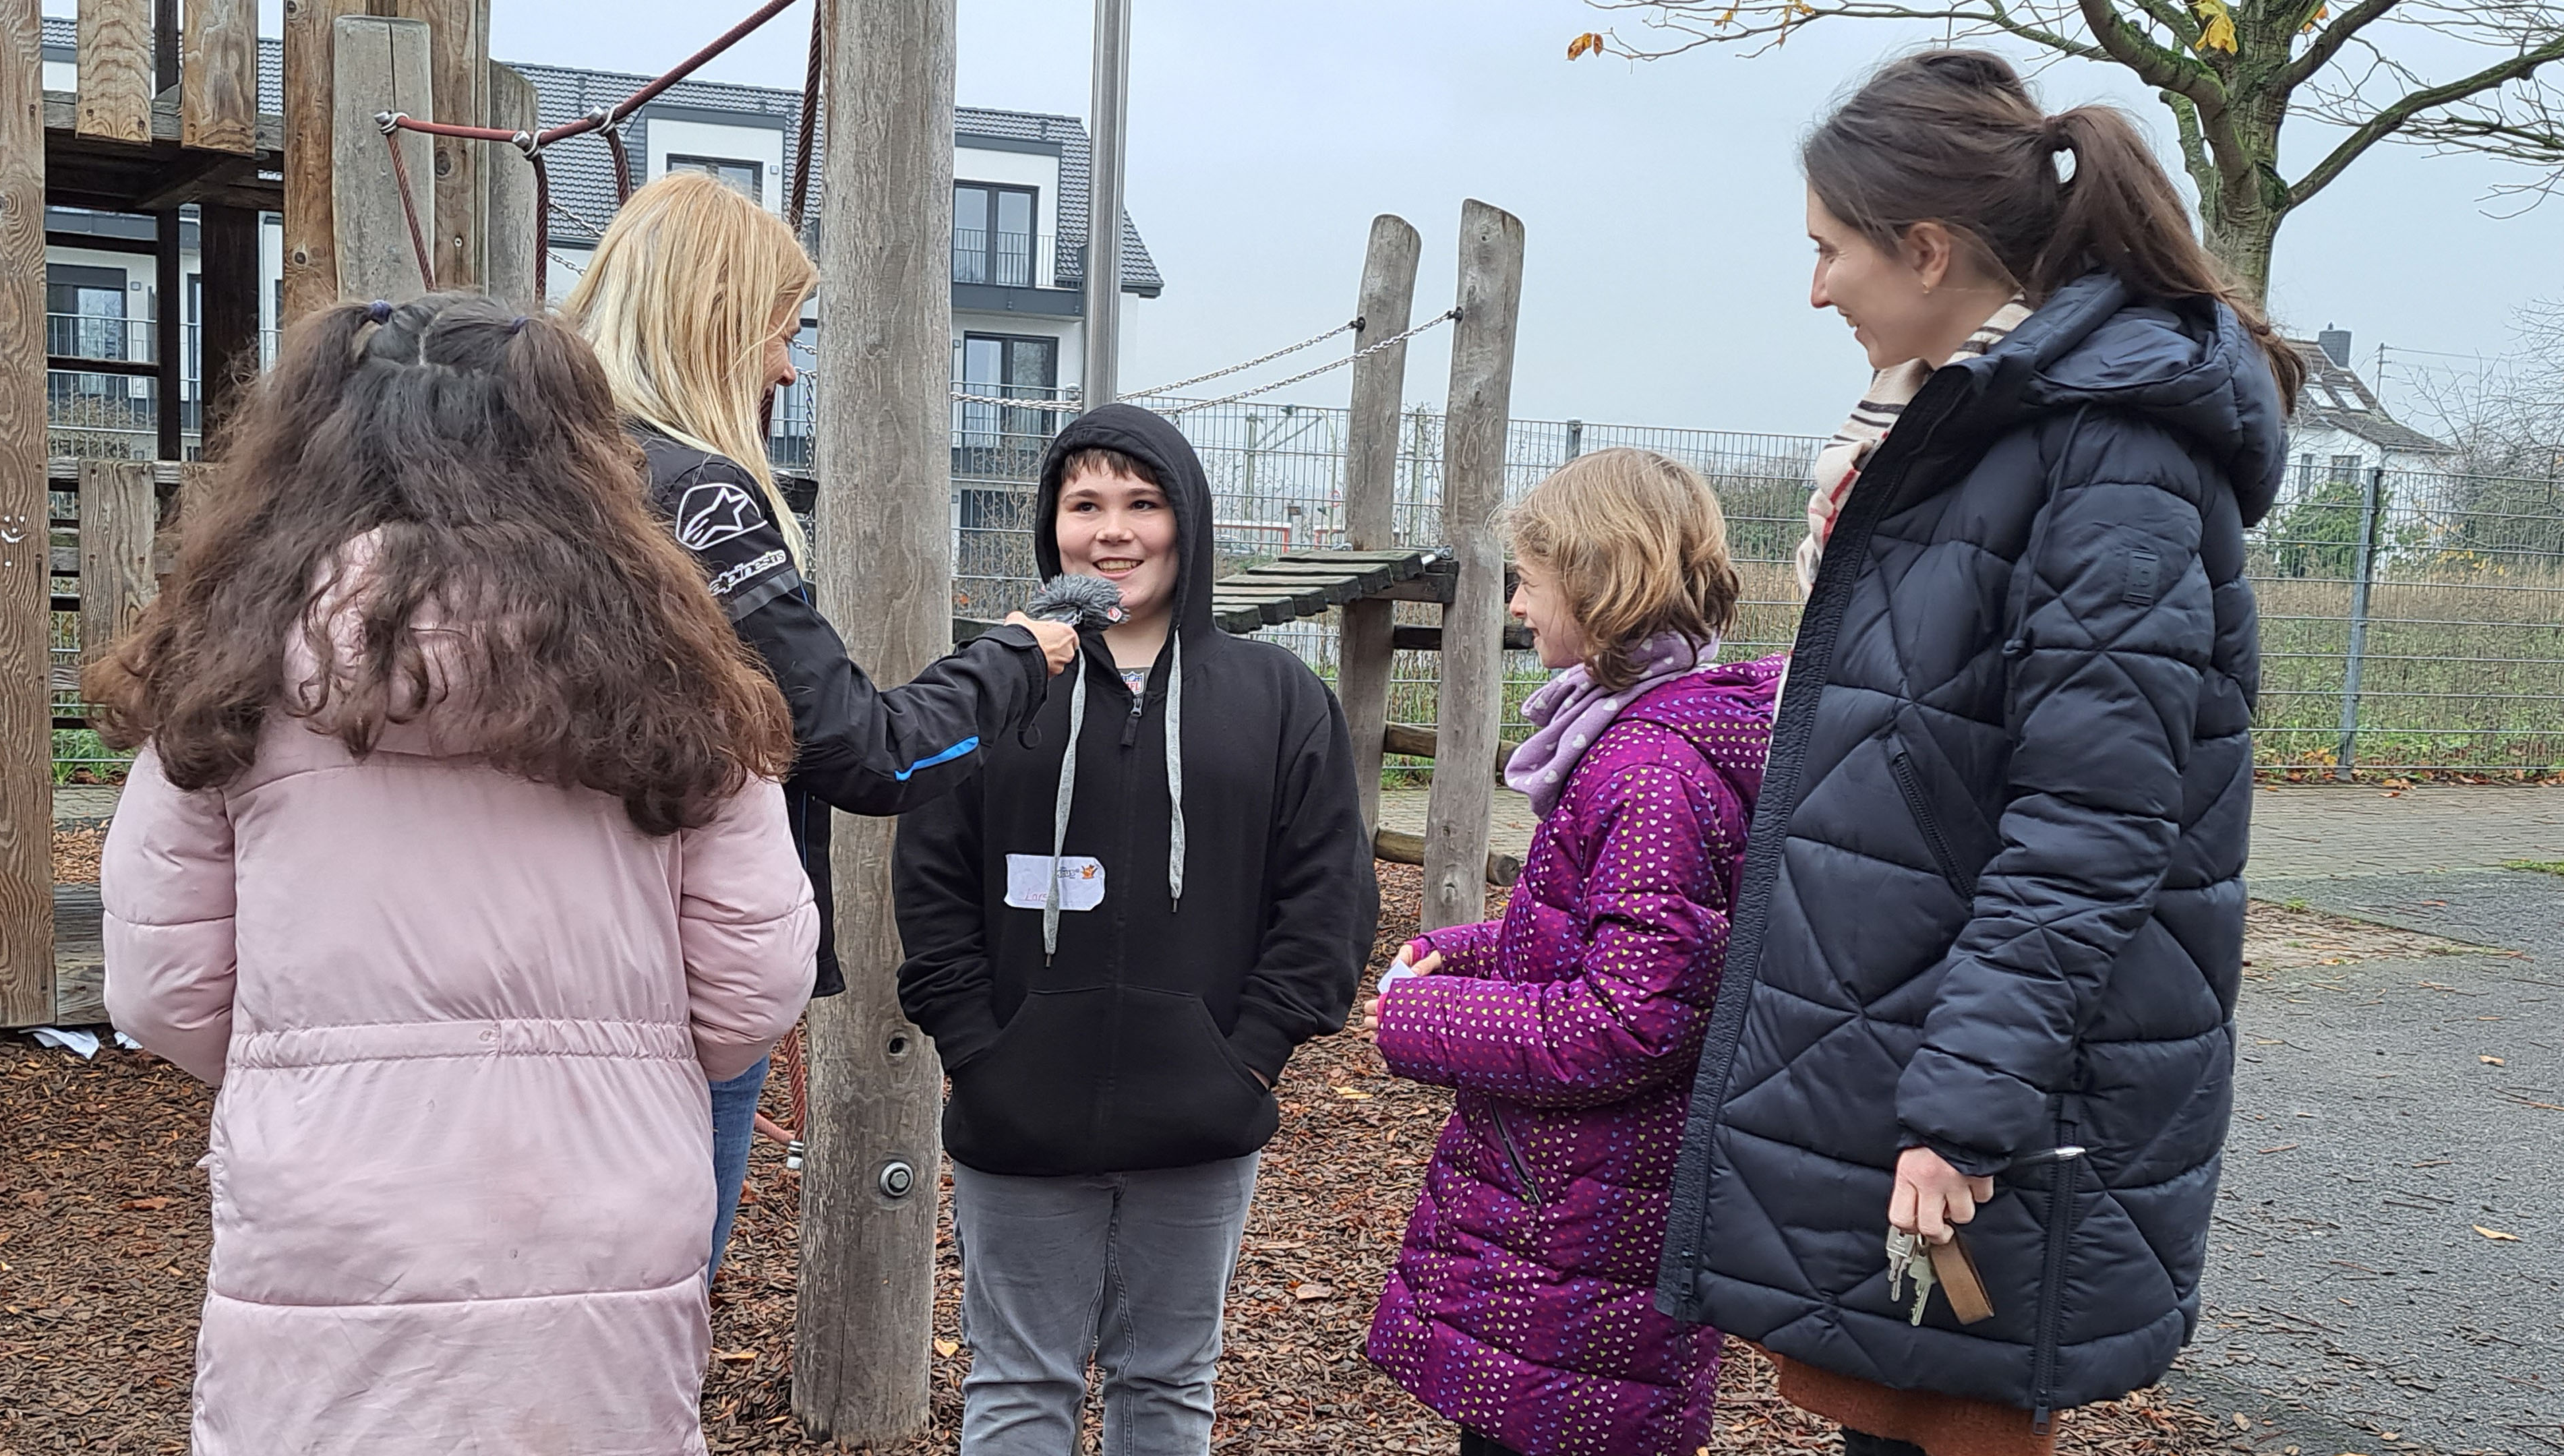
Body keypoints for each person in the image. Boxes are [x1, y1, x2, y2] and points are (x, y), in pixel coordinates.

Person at [1654, 51, 2301, 1456]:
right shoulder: (1968, 435)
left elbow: (2093, 817)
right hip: (1907, 1036)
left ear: (1928, 247)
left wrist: (1962, 1108)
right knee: (1887, 1417)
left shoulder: (2106, 459)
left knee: (1942, 1426)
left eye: (1829, 250)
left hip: (1982, 1081)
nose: (1815, 287)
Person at [91, 293, 819, 1453]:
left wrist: (314, 1064)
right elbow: (754, 984)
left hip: (334, 1204)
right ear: (581, 453)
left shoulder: (228, 673)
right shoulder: (680, 675)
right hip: (600, 1201)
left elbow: (161, 989)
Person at [563, 169, 1078, 1281]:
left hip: (528, 962)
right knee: (647, 1298)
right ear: (713, 323)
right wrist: (1015, 659)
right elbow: (860, 747)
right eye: (779, 333)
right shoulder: (700, 494)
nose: (788, 365)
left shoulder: (534, 468)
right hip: (670, 980)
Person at [892, 402, 1379, 1456]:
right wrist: (980, 1052)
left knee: (1168, 1384)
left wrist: (1248, 1057)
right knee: (1019, 1382)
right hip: (1016, 1113)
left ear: (1186, 520)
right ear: (1050, 526)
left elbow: (1327, 896)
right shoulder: (992, 684)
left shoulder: (1277, 698)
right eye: (1085, 505)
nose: (1113, 531)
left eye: (1142, 503)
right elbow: (931, 888)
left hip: (1200, 1115)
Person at [1363, 448, 1778, 1456]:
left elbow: (1628, 1020)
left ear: (1600, 582)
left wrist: (1419, 1019)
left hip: (1586, 1222)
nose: (1514, 603)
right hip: (1576, 1210)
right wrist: (1469, 952)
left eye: (1530, 580)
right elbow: (1625, 936)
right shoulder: (1638, 735)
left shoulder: (1649, 767)